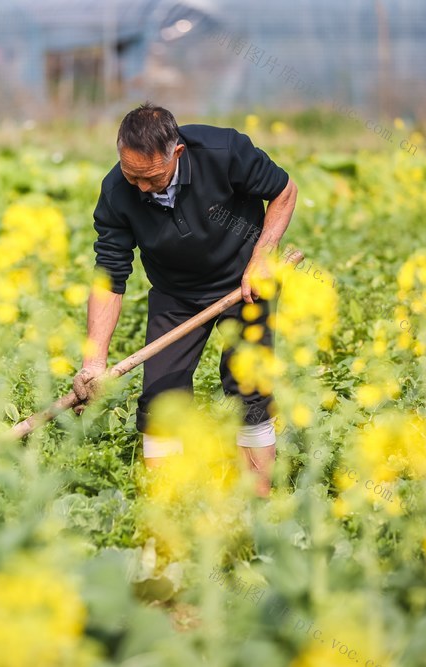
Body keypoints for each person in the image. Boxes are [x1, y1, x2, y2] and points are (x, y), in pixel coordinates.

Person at [72, 103, 297, 497]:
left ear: (176, 153)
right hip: (175, 293)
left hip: (244, 284)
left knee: (249, 389)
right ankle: (167, 505)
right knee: (161, 398)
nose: (140, 187)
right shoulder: (116, 191)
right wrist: (94, 363)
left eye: (150, 177)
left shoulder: (223, 151)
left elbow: (284, 191)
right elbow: (110, 276)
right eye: (131, 175)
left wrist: (262, 257)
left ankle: (260, 503)